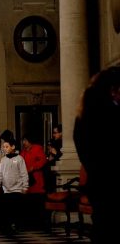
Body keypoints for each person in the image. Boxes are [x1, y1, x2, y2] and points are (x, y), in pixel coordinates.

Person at [73, 66, 120, 243]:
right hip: (111, 182)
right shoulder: (109, 114)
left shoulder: (85, 113)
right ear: (114, 90)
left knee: (102, 227)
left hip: (98, 182)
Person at [0, 138, 28, 236]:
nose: (5, 149)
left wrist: (25, 186)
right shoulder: (3, 160)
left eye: (7, 146)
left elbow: (24, 173)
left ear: (13, 147)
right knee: (6, 209)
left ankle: (16, 226)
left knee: (16, 209)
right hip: (6, 190)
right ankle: (6, 227)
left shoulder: (19, 159)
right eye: (3, 147)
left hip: (17, 189)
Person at [20, 134, 48, 230]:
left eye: (25, 140)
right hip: (26, 179)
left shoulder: (37, 148)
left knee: (37, 201)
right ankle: (29, 223)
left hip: (36, 178)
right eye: (23, 141)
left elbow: (43, 160)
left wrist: (33, 167)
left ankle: (39, 224)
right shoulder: (23, 152)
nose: (24, 143)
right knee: (28, 202)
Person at [45, 124, 62, 193]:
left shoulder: (65, 144)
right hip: (51, 170)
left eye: (55, 133)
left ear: (61, 133)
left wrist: (55, 153)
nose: (53, 135)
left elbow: (63, 157)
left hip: (57, 170)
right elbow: (50, 158)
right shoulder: (54, 142)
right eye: (53, 133)